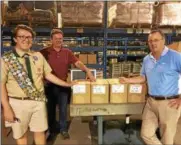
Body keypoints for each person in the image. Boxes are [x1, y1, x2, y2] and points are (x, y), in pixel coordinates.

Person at [1, 24, 75, 145]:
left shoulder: (38, 56)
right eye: (22, 37)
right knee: (21, 136)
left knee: (40, 132)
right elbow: (1, 85)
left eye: (29, 37)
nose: (26, 40)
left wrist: (67, 84)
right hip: (18, 103)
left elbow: (49, 75)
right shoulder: (6, 59)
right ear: (15, 39)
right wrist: (6, 108)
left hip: (38, 101)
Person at [119, 29, 181, 145]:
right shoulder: (147, 59)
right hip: (151, 102)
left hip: (169, 103)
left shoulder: (175, 57)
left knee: (167, 139)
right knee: (146, 134)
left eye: (156, 40)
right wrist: (127, 80)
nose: (153, 43)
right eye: (150, 41)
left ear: (163, 41)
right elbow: (143, 77)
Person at [40, 29, 96, 139]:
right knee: (50, 109)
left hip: (63, 85)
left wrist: (87, 71)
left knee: (63, 109)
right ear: (51, 39)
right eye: (56, 39)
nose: (58, 41)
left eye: (60, 38)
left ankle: (63, 129)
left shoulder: (67, 52)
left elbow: (77, 63)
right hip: (49, 86)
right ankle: (51, 130)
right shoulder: (44, 52)